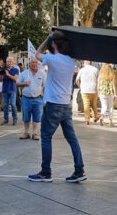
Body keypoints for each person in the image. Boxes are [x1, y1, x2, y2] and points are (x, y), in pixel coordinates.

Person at [29, 30, 86, 183]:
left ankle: (46, 172)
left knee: (46, 137)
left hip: (53, 104)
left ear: (53, 44)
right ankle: (79, 170)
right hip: (66, 105)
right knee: (72, 138)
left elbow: (37, 54)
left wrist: (46, 38)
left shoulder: (51, 58)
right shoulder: (71, 60)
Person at [17, 58, 45, 140]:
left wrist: (45, 97)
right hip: (26, 98)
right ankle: (27, 133)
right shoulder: (24, 73)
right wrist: (25, 83)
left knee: (37, 117)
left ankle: (35, 133)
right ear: (29, 64)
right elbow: (17, 83)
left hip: (38, 98)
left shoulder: (42, 74)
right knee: (26, 117)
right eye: (32, 62)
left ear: (38, 64)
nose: (34, 64)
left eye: (36, 62)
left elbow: (46, 86)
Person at [76, 60, 99, 125]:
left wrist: (80, 87)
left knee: (86, 105)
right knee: (94, 104)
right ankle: (95, 117)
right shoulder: (96, 69)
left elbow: (77, 80)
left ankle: (87, 120)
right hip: (94, 89)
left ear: (85, 63)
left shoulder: (81, 70)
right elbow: (98, 79)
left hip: (84, 90)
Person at [0, 57, 19, 125]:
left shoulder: (16, 70)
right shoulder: (4, 69)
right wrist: (2, 74)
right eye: (8, 61)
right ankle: (6, 119)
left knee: (13, 104)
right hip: (5, 89)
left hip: (12, 89)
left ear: (13, 62)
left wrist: (8, 74)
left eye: (10, 61)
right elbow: (1, 80)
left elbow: (15, 78)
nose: (9, 62)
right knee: (5, 105)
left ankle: (15, 119)